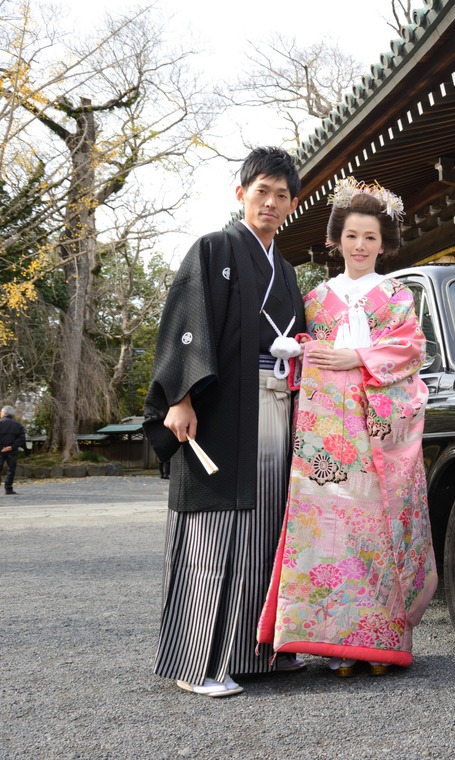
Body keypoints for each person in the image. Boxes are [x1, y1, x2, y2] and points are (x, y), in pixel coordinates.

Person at [143, 147, 308, 698]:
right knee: (212, 532)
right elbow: (186, 326)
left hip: (274, 405)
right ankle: (199, 663)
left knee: (264, 528)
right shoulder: (213, 250)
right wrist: (180, 396)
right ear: (241, 194)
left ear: (291, 203)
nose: (271, 202)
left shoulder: (285, 271)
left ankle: (259, 652)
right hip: (218, 411)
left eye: (282, 195)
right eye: (261, 190)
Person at [258, 176, 437, 677]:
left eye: (371, 238)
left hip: (373, 431)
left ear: (385, 244)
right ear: (336, 241)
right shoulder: (315, 298)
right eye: (352, 236)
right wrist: (299, 351)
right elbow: (301, 351)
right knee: (325, 536)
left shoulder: (396, 296)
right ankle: (333, 643)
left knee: (373, 534)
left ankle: (379, 640)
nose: (360, 247)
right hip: (323, 440)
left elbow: (411, 351)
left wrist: (354, 356)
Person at [0, 406, 26, 495]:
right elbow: (22, 438)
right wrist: (12, 446)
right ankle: (8, 489)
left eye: (1, 412)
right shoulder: (18, 425)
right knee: (11, 470)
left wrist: (2, 448)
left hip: (1, 451)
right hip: (12, 451)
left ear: (5, 413)